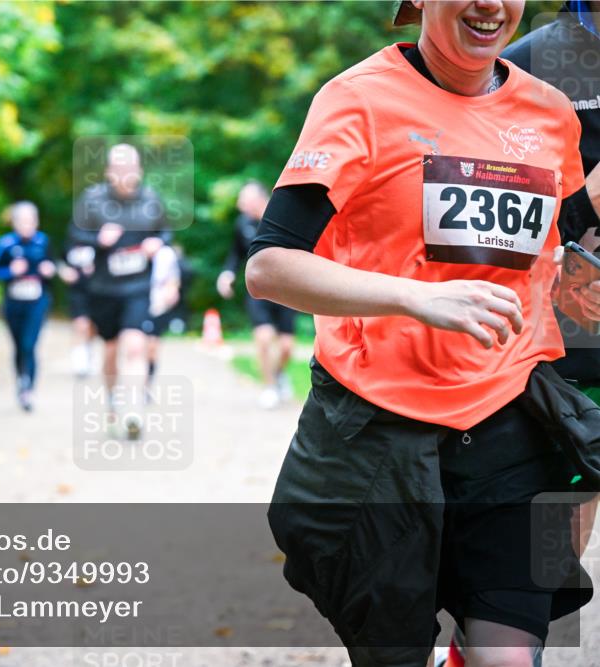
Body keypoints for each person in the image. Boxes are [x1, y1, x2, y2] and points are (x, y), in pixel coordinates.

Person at [246, 1, 598, 665]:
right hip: (380, 428)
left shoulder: (550, 112)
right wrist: (417, 299)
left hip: (509, 414)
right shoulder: (358, 99)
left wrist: (579, 277)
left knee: (510, 657)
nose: (490, 4)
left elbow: (549, 249)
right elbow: (270, 267)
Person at [431, 4, 600, 666]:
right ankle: (498, 634)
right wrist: (585, 208)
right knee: (571, 475)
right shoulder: (527, 59)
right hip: (563, 323)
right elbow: (477, 201)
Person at [68, 143, 172, 439]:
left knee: (136, 345)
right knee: (111, 350)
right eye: (119, 168)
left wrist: (158, 244)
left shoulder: (151, 199)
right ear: (109, 172)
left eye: (130, 168)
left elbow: (165, 232)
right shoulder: (93, 200)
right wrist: (97, 239)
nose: (125, 174)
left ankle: (135, 409)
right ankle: (114, 397)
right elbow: (74, 235)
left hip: (138, 286)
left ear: (138, 170)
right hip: (103, 288)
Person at [217, 181, 297, 408]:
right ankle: (269, 387)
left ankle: (279, 374)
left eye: (244, 198)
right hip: (259, 292)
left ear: (259, 199)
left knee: (286, 347)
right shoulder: (242, 223)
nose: (240, 203)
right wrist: (227, 274)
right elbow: (235, 254)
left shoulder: (283, 218)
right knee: (263, 338)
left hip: (287, 290)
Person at [0, 201, 55, 412]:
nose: (27, 225)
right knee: (19, 346)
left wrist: (48, 270)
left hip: (37, 301)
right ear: (14, 223)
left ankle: (29, 389)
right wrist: (11, 272)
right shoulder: (5, 244)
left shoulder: (43, 242)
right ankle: (21, 379)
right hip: (13, 303)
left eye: (31, 220)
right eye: (22, 221)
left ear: (36, 221)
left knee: (30, 344)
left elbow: (53, 267)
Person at [142, 243, 182, 394]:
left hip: (156, 304)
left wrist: (172, 290)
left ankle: (147, 385)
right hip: (134, 299)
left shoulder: (166, 253)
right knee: (136, 344)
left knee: (152, 346)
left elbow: (174, 278)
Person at [60, 235, 97, 378]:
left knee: (92, 327)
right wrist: (65, 272)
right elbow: (60, 262)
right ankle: (79, 361)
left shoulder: (99, 240)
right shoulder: (70, 243)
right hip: (76, 291)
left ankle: (87, 352)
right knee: (80, 324)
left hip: (97, 291)